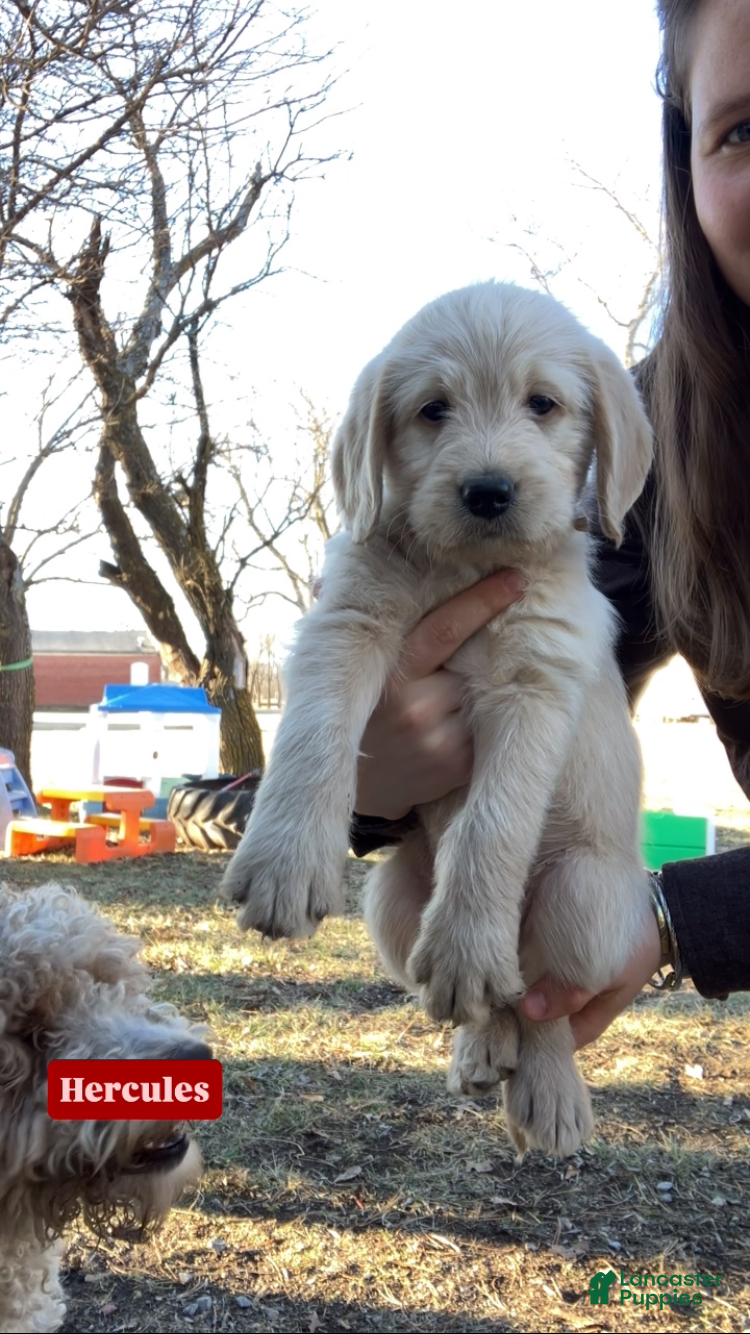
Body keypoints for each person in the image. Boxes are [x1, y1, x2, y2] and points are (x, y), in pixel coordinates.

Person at [350, 0, 750, 1047]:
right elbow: (493, 654)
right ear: (687, 164)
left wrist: (678, 917)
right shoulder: (666, 436)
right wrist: (358, 777)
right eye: (743, 129)